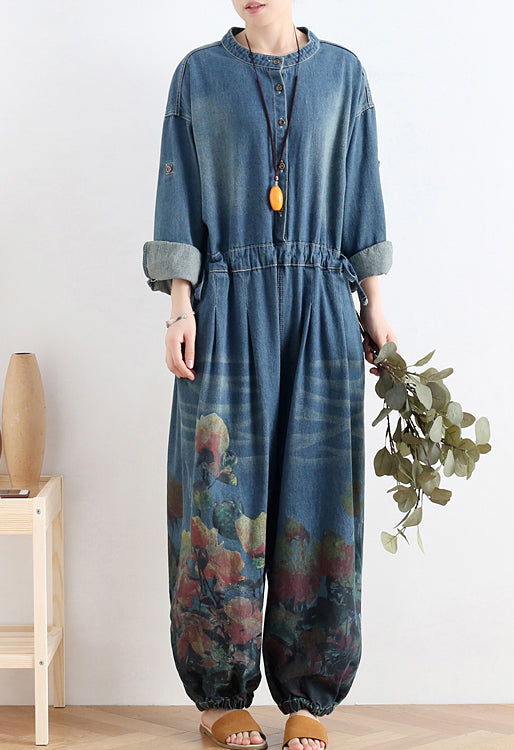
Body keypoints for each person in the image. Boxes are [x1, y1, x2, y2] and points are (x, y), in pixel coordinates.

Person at [142, 2, 398, 748]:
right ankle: (218, 695)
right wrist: (179, 308)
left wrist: (375, 304)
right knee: (217, 502)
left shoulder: (344, 75)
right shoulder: (198, 76)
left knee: (320, 498)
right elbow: (178, 194)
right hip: (224, 309)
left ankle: (308, 696)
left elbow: (362, 192)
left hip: (322, 308)